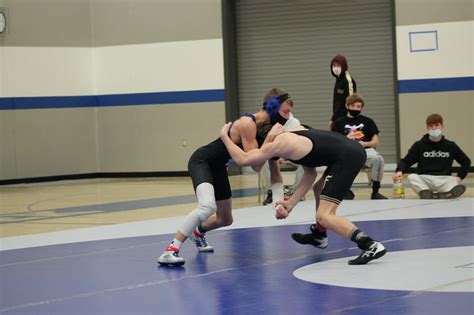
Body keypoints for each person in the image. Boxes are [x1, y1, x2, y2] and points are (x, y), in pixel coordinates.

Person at [157, 88, 292, 266]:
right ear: (272, 107)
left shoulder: (266, 131)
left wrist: (278, 203)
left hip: (219, 167)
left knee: (225, 219)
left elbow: (274, 171)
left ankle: (198, 232)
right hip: (202, 161)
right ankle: (170, 250)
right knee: (207, 207)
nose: (288, 117)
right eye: (285, 111)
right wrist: (270, 140)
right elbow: (255, 164)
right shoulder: (248, 123)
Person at [220, 123, 386, 265]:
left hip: (349, 157)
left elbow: (245, 160)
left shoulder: (280, 143)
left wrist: (225, 137)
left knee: (325, 215)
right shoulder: (295, 136)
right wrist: (290, 204)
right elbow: (310, 174)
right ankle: (319, 235)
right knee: (318, 188)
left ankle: (370, 244)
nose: (277, 160)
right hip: (347, 153)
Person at [393, 113, 471, 199]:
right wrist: (399, 171)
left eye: (437, 125)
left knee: (454, 181)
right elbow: (406, 161)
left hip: (445, 179)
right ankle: (427, 192)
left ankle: (445, 193)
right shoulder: (419, 145)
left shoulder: (450, 146)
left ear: (442, 126)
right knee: (412, 177)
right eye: (431, 126)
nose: (434, 128)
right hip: (425, 179)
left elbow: (466, 161)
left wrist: (460, 177)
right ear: (427, 128)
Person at [332, 93, 388, 200]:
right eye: (353, 106)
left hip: (365, 150)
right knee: (338, 163)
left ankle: (375, 192)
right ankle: (346, 190)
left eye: (358, 107)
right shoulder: (338, 123)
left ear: (362, 108)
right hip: (347, 151)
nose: (355, 109)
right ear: (347, 106)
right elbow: (334, 142)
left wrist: (364, 144)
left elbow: (376, 142)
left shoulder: (368, 121)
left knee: (378, 159)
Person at [261, 112, 305, 205]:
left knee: (305, 163)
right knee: (263, 162)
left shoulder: (295, 123)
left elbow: (298, 143)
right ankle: (271, 191)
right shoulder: (269, 124)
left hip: (293, 156)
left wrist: (289, 156)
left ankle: (295, 192)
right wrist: (278, 157)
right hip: (275, 156)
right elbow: (267, 145)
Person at [329, 54, 357, 130]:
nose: (336, 68)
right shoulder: (338, 80)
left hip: (346, 121)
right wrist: (333, 118)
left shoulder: (347, 80)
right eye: (334, 66)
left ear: (343, 66)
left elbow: (351, 101)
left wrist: (347, 120)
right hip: (337, 119)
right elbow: (338, 103)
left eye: (338, 66)